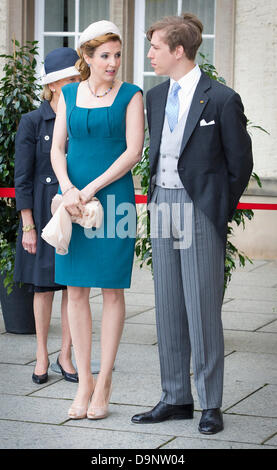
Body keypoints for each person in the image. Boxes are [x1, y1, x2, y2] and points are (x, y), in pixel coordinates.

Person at [131, 13, 253, 434]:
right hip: (162, 204)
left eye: (155, 47)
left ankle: (210, 404)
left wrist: (215, 209)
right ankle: (175, 397)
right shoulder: (155, 96)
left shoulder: (221, 98)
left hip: (199, 208)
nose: (149, 54)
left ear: (178, 51)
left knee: (202, 309)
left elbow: (240, 164)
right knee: (166, 306)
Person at [50, 20, 144, 420]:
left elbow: (132, 153)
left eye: (117, 55)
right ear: (86, 58)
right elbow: (57, 149)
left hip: (114, 200)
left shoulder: (132, 95)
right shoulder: (68, 94)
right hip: (72, 203)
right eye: (105, 55)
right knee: (74, 291)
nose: (113, 62)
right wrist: (69, 189)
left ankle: (104, 380)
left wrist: (89, 190)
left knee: (111, 291)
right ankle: (84, 382)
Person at [14, 48, 81, 384]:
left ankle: (66, 356)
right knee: (43, 288)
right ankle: (41, 355)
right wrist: (28, 225)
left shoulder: (81, 117)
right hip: (41, 214)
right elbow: (22, 177)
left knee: (74, 286)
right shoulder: (31, 121)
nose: (75, 84)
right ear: (53, 85)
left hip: (75, 209)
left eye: (77, 79)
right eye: (69, 79)